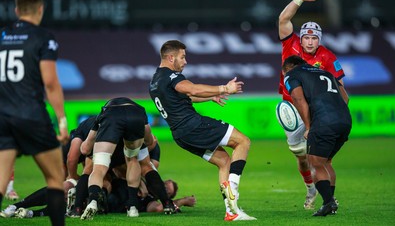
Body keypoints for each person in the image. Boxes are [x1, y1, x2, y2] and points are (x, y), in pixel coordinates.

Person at [149, 40, 256, 221]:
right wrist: (224, 88)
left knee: (224, 162)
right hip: (194, 125)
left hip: (181, 135)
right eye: (182, 57)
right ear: (170, 57)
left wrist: (212, 96)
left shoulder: (155, 80)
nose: (185, 61)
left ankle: (232, 211)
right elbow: (191, 89)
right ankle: (233, 192)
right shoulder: (171, 76)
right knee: (243, 141)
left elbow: (186, 97)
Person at [0, 0, 68, 226]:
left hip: (3, 117)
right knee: (55, 177)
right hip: (31, 115)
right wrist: (61, 121)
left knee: (0, 183)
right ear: (41, 9)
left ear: (17, 10)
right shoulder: (43, 37)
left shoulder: (2, 36)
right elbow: (50, 82)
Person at [277, 0, 346, 209]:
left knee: (321, 159)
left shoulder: (327, 57)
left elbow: (341, 88)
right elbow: (283, 20)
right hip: (292, 107)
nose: (309, 41)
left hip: (318, 111)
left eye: (314, 38)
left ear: (319, 39)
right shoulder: (291, 44)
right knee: (301, 157)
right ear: (301, 37)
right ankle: (311, 188)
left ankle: (328, 198)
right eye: (306, 37)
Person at [79, 97, 175, 220]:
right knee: (133, 160)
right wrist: (148, 143)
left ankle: (93, 202)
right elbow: (150, 140)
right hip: (136, 115)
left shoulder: (102, 114)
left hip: (111, 115)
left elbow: (85, 149)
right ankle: (134, 207)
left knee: (99, 167)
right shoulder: (139, 110)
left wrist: (84, 146)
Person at [282, 55, 351, 216]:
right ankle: (330, 202)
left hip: (324, 122)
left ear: (288, 68)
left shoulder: (292, 74)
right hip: (345, 120)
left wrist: (308, 127)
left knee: (314, 163)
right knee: (325, 161)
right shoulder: (327, 73)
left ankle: (328, 203)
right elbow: (345, 98)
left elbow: (298, 99)